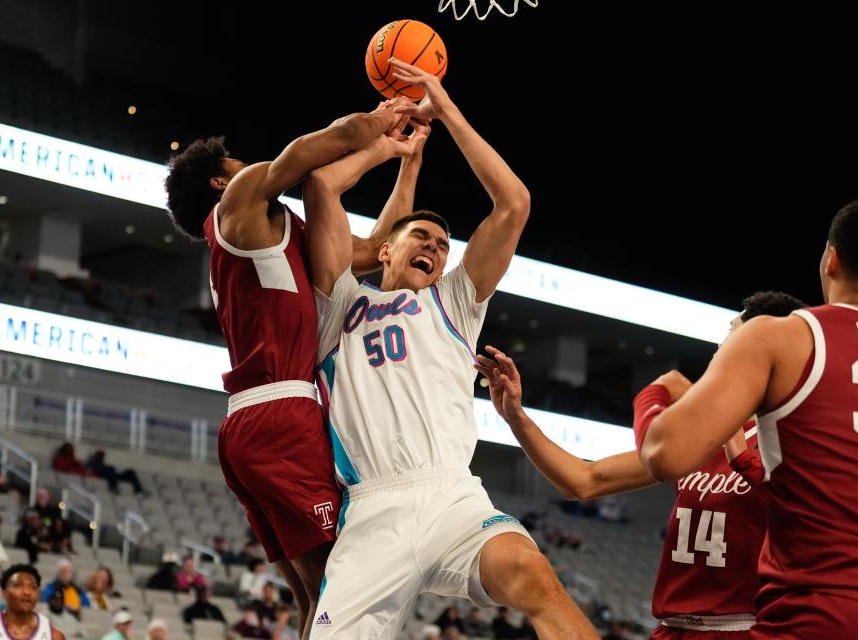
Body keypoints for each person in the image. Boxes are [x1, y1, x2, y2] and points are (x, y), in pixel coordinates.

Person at [305, 58, 595, 639]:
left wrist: (446, 110)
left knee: (534, 575)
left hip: (450, 495)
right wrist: (393, 152)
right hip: (372, 511)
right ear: (384, 250)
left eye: (442, 246)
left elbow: (513, 204)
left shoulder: (454, 302)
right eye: (423, 239)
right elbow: (319, 186)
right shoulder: (337, 301)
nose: (436, 251)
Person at [164, 91, 419, 639]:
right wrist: (382, 120)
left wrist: (407, 158)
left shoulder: (278, 234)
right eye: (234, 162)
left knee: (317, 598)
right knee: (340, 587)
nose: (248, 163)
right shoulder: (238, 201)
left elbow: (377, 250)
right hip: (281, 412)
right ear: (219, 181)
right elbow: (315, 150)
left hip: (252, 420)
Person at [475, 292, 807, 638]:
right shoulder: (704, 434)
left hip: (744, 628)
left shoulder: (798, 437)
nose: (721, 347)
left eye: (731, 334)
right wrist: (515, 417)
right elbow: (582, 480)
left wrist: (661, 393)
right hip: (672, 629)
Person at [641, 197, 858, 639]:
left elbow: (664, 454)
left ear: (831, 260)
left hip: (816, 612)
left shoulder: (785, 337)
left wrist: (656, 394)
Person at [0, 564, 64, 640]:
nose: (27, 592)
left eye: (33, 587)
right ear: (4, 593)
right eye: (18, 585)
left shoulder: (54, 636)